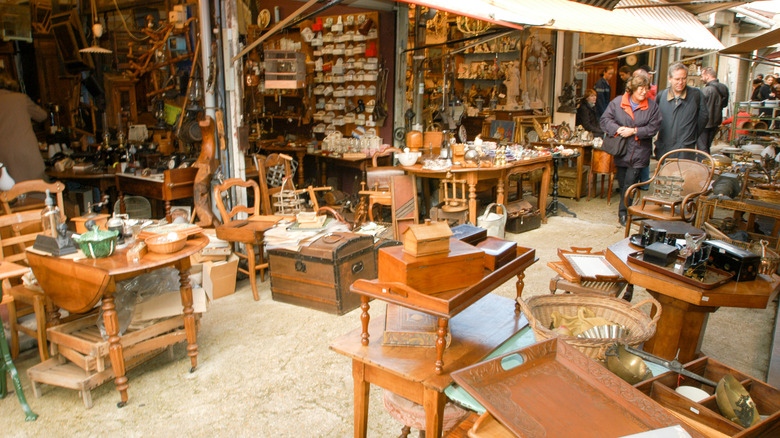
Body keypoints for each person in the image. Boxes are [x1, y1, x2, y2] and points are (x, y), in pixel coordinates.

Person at [600, 75, 662, 226]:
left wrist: (634, 131)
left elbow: (653, 127)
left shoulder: (652, 107)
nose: (644, 92)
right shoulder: (618, 103)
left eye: (646, 88)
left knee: (630, 183)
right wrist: (618, 128)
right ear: (632, 89)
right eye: (640, 88)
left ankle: (624, 214)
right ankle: (628, 208)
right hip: (621, 150)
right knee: (622, 183)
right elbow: (605, 120)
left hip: (640, 151)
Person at [0, 69, 48, 183]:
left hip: (2, 153)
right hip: (25, 149)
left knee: (8, 192)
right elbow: (42, 116)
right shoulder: (20, 98)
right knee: (36, 188)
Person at [654, 63, 708, 159]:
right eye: (677, 79)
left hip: (685, 148)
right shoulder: (662, 96)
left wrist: (691, 135)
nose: (681, 82)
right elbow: (655, 119)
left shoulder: (696, 95)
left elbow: (703, 118)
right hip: (665, 148)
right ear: (669, 79)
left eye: (684, 78)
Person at [698, 67, 729, 153]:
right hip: (716, 121)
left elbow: (699, 106)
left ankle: (703, 164)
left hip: (704, 122)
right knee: (707, 145)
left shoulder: (706, 90)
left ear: (708, 76)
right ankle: (707, 163)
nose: (701, 78)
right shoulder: (724, 88)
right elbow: (725, 104)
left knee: (702, 148)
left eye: (702, 76)